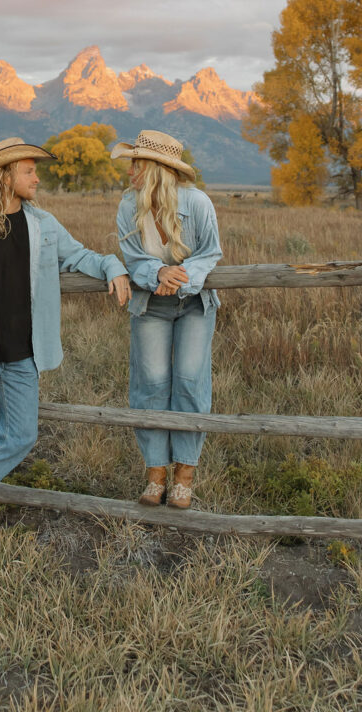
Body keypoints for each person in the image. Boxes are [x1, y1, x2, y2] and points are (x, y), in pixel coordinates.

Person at [0, 137, 131, 553]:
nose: (37, 178)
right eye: (29, 170)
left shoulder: (43, 224)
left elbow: (80, 256)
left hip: (23, 355)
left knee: (20, 435)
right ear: (6, 174)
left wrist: (113, 266)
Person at [112, 130, 222, 509]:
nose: (129, 171)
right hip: (150, 306)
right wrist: (158, 273)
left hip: (194, 304)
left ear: (156, 168)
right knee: (151, 385)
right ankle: (155, 474)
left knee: (190, 382)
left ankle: (184, 477)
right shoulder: (128, 206)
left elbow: (211, 252)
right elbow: (131, 257)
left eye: (136, 164)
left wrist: (182, 276)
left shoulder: (198, 202)